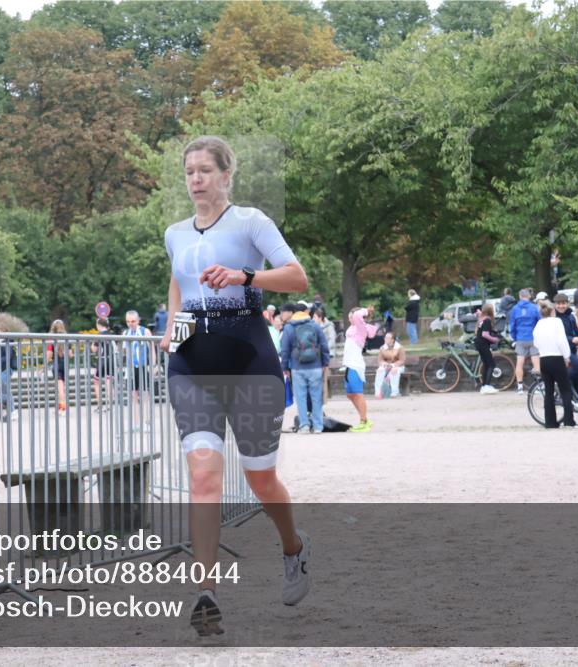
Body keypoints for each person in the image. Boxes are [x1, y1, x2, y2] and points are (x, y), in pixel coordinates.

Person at [160, 135, 311, 636]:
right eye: (189, 172)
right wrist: (173, 329)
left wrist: (245, 276)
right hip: (191, 365)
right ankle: (206, 593)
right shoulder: (175, 233)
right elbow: (180, 283)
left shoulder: (251, 222)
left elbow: (296, 278)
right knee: (204, 476)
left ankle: (293, 547)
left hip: (248, 361)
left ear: (226, 175)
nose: (196, 180)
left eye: (205, 170)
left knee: (259, 479)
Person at [280, 302, 330, 433]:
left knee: (301, 398)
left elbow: (284, 350)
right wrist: (325, 363)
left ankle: (304, 426)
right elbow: (324, 345)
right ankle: (318, 426)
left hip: (297, 368)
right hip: (315, 366)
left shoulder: (289, 328)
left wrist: (285, 367)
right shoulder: (315, 325)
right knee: (316, 397)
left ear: (293, 313)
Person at [533, 300, 577, 428]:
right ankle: (569, 421)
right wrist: (567, 356)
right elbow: (562, 341)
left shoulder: (538, 324)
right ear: (553, 311)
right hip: (556, 357)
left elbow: (536, 343)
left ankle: (550, 422)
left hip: (544, 358)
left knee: (549, 391)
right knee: (565, 389)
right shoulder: (557, 322)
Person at [553, 293, 578, 414]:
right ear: (555, 305)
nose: (561, 306)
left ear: (567, 304)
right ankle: (562, 383)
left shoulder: (570, 316)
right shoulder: (555, 319)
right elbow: (559, 336)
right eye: (559, 304)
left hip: (572, 350)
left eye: (563, 303)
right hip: (562, 351)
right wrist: (571, 339)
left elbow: (577, 333)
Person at [342, 307, 376, 431]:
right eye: (349, 317)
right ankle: (365, 419)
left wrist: (365, 310)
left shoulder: (361, 328)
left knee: (358, 394)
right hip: (348, 365)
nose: (350, 318)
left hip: (355, 365)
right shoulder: (352, 328)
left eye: (352, 316)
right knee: (350, 394)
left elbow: (357, 316)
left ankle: (363, 421)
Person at [122, 311, 152, 426]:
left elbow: (152, 350)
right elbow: (124, 351)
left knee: (145, 395)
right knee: (133, 395)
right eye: (128, 321)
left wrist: (153, 365)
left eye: (133, 321)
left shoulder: (145, 331)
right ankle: (137, 422)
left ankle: (147, 420)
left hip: (143, 366)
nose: (130, 324)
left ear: (138, 321)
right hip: (131, 367)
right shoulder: (125, 333)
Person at [509, 288, 541, 394]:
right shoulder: (534, 308)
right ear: (529, 296)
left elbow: (512, 325)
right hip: (533, 338)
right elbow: (540, 322)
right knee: (536, 363)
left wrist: (514, 337)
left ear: (519, 296)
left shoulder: (515, 309)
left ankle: (520, 387)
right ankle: (538, 386)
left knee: (519, 363)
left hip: (520, 338)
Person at [0, 325, 18, 421]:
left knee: (5, 390)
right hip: (3, 368)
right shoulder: (1, 342)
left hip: (6, 368)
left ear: (2, 332)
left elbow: (8, 356)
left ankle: (12, 411)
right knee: (5, 390)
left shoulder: (6, 342)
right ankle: (6, 410)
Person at [475, 304, 501, 394]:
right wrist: (494, 339)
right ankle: (486, 386)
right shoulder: (487, 321)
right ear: (491, 311)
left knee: (486, 364)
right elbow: (485, 334)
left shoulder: (482, 320)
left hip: (479, 343)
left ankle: (484, 386)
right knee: (491, 364)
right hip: (483, 344)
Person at [47, 319, 72, 414]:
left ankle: (63, 408)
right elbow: (70, 355)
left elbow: (49, 355)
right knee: (63, 388)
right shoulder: (67, 338)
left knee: (60, 389)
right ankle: (60, 407)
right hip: (65, 364)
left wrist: (43, 366)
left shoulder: (52, 339)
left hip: (56, 364)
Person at [374, 331, 406, 399]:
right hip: (386, 366)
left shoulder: (399, 347)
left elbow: (402, 360)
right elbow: (380, 360)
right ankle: (378, 392)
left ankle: (394, 392)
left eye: (388, 338)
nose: (385, 339)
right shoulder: (382, 348)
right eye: (385, 337)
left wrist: (393, 365)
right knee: (380, 370)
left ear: (392, 340)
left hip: (398, 366)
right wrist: (384, 364)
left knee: (394, 371)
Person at [91, 318, 114, 407]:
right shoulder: (111, 334)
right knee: (109, 381)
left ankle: (99, 404)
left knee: (96, 381)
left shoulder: (99, 335)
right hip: (111, 359)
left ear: (99, 325)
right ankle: (111, 403)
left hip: (102, 359)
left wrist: (92, 343)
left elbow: (94, 349)